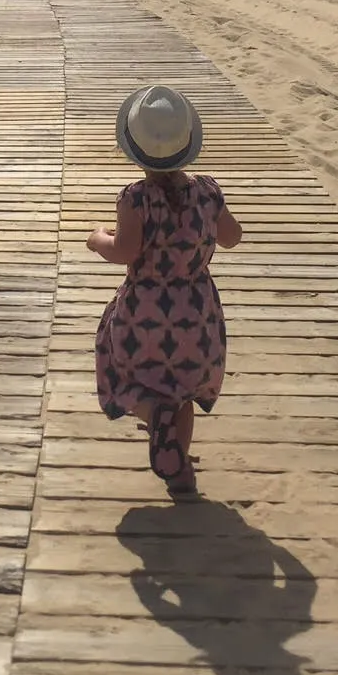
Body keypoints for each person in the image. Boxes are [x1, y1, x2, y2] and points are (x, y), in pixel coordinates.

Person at [86, 85, 241, 500]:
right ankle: (179, 471)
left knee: (123, 374)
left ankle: (155, 416)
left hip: (145, 311)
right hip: (196, 313)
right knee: (183, 393)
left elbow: (125, 252)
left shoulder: (136, 198)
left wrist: (97, 237)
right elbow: (232, 237)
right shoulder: (207, 191)